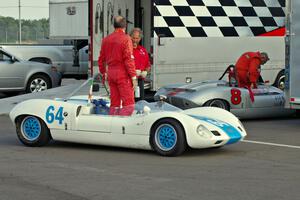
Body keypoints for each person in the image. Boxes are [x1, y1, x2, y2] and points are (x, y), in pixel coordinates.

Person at [98, 16, 137, 116]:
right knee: (128, 104)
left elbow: (101, 60)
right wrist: (133, 77)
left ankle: (113, 123)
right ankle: (124, 127)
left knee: (114, 103)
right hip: (122, 73)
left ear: (113, 25)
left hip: (111, 73)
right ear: (125, 25)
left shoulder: (106, 39)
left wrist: (104, 73)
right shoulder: (126, 39)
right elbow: (128, 59)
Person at [130, 28, 151, 100]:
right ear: (130, 37)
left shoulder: (143, 50)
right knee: (129, 102)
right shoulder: (127, 50)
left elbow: (148, 65)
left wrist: (146, 72)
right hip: (129, 81)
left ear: (140, 38)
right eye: (133, 38)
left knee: (141, 101)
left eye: (137, 38)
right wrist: (133, 72)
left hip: (140, 81)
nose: (135, 40)